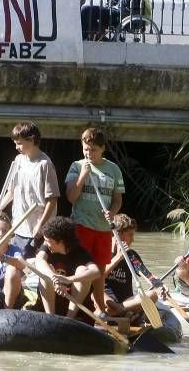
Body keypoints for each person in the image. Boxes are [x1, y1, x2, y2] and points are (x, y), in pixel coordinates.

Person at [65, 127, 124, 315]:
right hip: (82, 225)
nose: (89, 153)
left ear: (102, 148)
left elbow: (117, 199)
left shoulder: (113, 169)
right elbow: (71, 197)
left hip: (103, 229)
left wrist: (112, 212)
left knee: (99, 272)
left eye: (93, 150)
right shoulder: (76, 166)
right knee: (83, 269)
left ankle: (100, 309)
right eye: (85, 149)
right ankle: (74, 308)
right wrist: (82, 175)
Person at [0, 121, 59, 259]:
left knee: (33, 268)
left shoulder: (45, 164)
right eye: (15, 143)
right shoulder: (18, 161)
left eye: (19, 143)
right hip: (19, 225)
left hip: (39, 228)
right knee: (16, 266)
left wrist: (40, 225)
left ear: (31, 140)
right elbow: (11, 191)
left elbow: (52, 200)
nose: (16, 147)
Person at [32, 216, 100, 319]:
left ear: (61, 241)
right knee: (46, 271)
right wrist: (54, 278)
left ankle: (69, 320)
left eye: (48, 240)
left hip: (73, 304)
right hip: (52, 302)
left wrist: (68, 279)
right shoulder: (47, 248)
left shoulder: (80, 252)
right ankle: (51, 319)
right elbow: (39, 260)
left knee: (82, 270)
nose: (45, 243)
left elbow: (96, 272)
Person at [104, 214, 162, 319]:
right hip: (107, 301)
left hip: (127, 302)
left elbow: (146, 274)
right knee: (94, 293)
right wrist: (118, 257)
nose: (133, 239)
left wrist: (159, 285)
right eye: (130, 235)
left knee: (152, 295)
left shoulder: (131, 255)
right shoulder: (104, 252)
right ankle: (124, 312)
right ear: (119, 235)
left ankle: (119, 310)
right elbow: (99, 277)